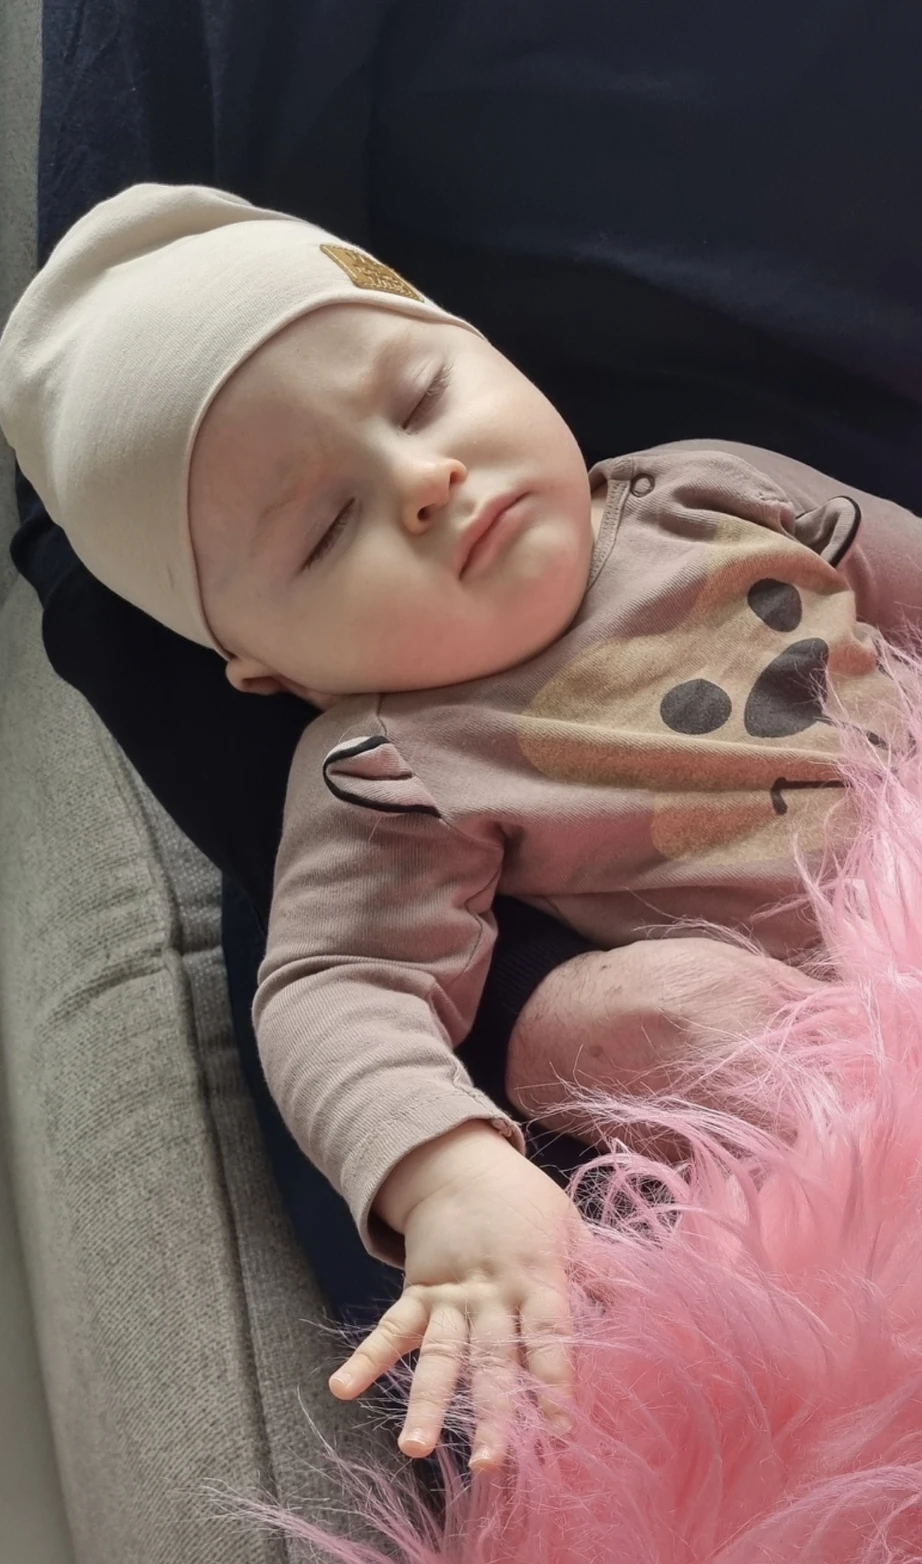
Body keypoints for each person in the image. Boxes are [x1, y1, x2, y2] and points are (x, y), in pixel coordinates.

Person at [9, 0, 922, 1414]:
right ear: (265, 669)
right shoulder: (387, 767)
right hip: (828, 1062)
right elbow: (337, 993)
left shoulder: (714, 486)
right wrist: (447, 1174)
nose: (422, 479)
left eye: (423, 393)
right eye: (323, 531)